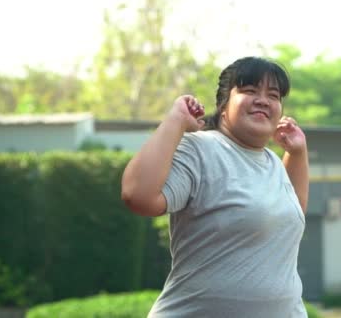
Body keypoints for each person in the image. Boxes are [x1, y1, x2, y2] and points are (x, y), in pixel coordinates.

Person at [121, 56, 309, 317]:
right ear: (223, 105)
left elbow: (290, 216)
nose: (263, 100)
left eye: (273, 95)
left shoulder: (271, 162)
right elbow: (137, 196)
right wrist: (175, 120)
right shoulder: (200, 148)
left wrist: (297, 154)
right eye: (250, 90)